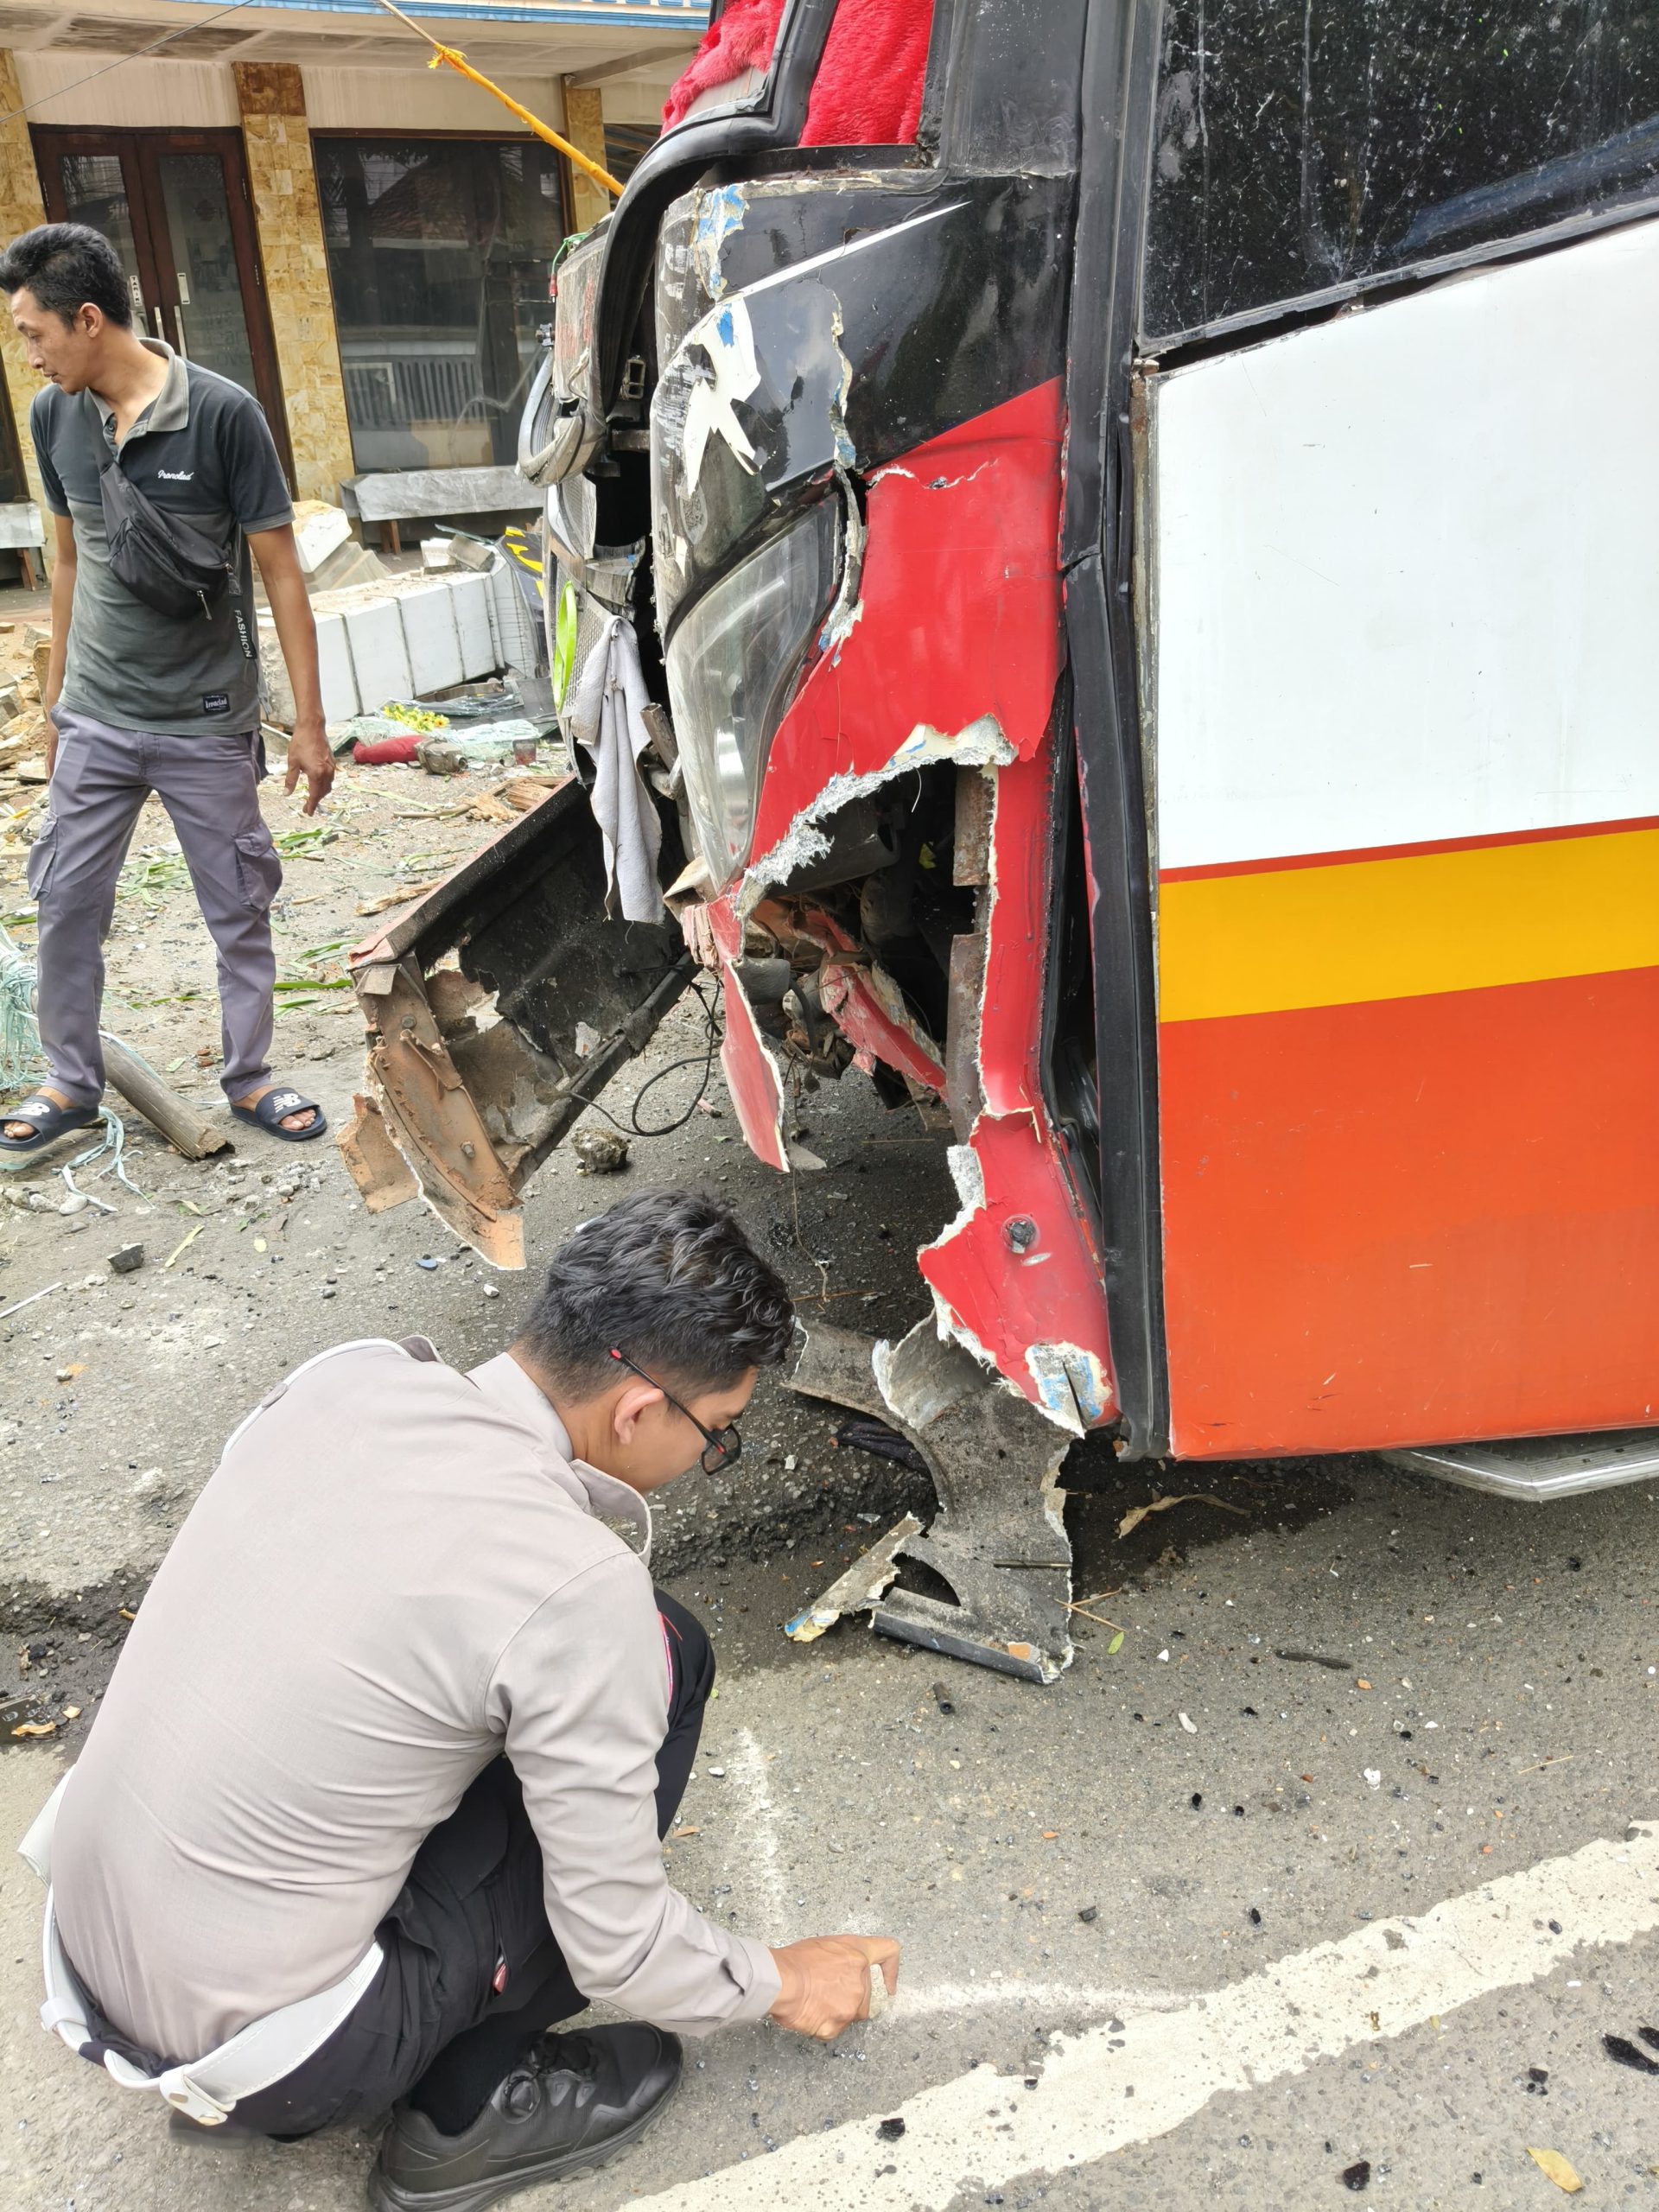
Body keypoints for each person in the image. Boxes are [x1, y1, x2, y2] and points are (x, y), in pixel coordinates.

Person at [34, 1192, 899, 2211]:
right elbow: (619, 1944)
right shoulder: (574, 1589)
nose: (711, 1458)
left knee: (568, 1664)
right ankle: (467, 2108)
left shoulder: (348, 1377)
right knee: (667, 1659)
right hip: (285, 2058)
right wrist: (786, 1980)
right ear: (636, 1411)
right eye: (720, 1435)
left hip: (85, 1938)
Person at [0, 221, 334, 1161]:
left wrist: (310, 726)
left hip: (204, 721)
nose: (29, 356)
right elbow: (68, 563)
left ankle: (250, 1076)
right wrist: (56, 708)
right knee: (66, 902)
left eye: (33, 334)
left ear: (88, 319)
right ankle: (69, 1082)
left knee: (238, 908)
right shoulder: (55, 417)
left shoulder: (223, 414)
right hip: (98, 716)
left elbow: (282, 575)